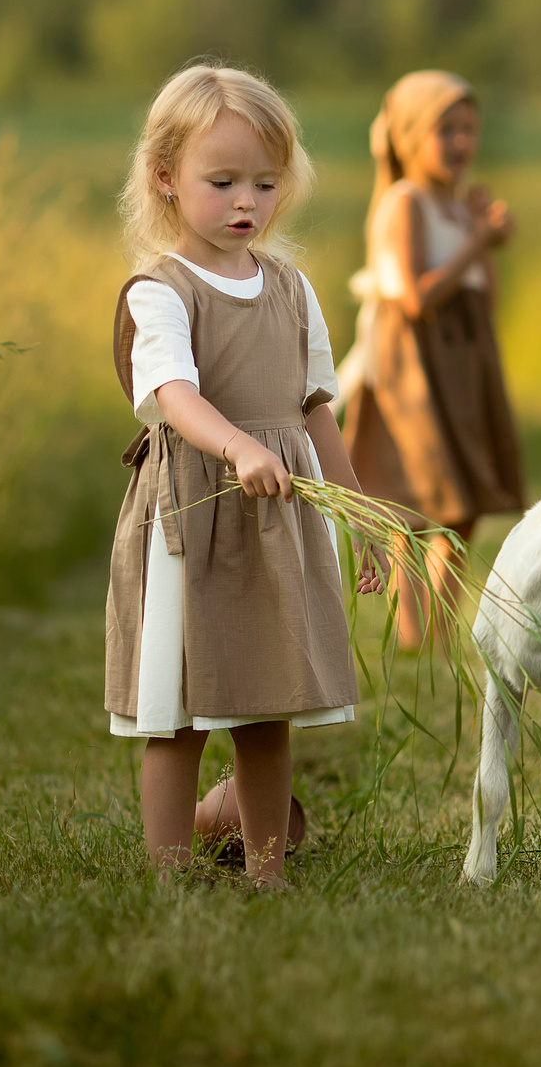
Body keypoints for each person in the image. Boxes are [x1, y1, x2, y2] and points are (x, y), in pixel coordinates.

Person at [105, 63, 386, 889]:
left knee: (268, 705)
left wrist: (360, 512)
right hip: (195, 513)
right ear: (165, 177)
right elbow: (173, 394)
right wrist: (237, 448)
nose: (246, 203)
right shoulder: (161, 291)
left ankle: (267, 870)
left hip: (277, 519)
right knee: (180, 710)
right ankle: (170, 869)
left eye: (265, 183)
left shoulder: (292, 290)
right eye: (222, 180)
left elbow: (314, 407)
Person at [338, 70, 525, 649]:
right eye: (446, 129)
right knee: (418, 500)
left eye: (470, 129)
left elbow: (483, 293)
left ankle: (441, 630)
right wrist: (478, 242)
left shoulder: (455, 205)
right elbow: (416, 297)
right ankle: (415, 634)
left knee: (462, 504)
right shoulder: (405, 204)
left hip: (463, 360)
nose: (462, 142)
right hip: (413, 363)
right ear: (410, 137)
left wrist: (482, 236)